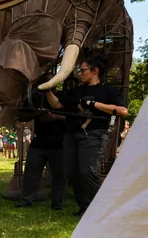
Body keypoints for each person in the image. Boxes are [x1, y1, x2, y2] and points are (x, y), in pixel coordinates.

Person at [45, 55, 128, 217]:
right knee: (71, 172)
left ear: (95, 71)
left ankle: (106, 209)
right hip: (71, 135)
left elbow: (122, 110)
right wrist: (47, 89)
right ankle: (85, 207)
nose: (80, 73)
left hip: (94, 134)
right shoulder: (77, 91)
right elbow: (57, 104)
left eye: (83, 70)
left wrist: (93, 104)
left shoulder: (107, 90)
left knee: (87, 172)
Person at [17, 76, 67, 210]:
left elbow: (72, 118)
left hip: (59, 141)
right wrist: (37, 114)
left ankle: (57, 203)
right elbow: (21, 116)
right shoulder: (35, 98)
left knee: (60, 174)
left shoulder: (64, 96)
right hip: (39, 141)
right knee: (31, 172)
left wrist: (55, 117)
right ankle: (25, 200)